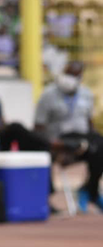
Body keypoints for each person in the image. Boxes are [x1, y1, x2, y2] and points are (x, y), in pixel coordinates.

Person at [35, 61, 103, 212]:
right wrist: (53, 145)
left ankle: (89, 190)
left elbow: (89, 123)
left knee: (100, 146)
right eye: (68, 74)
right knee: (43, 153)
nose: (70, 78)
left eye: (75, 75)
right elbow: (38, 127)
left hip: (82, 139)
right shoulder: (48, 95)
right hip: (58, 141)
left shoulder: (86, 94)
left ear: (80, 77)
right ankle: (46, 199)